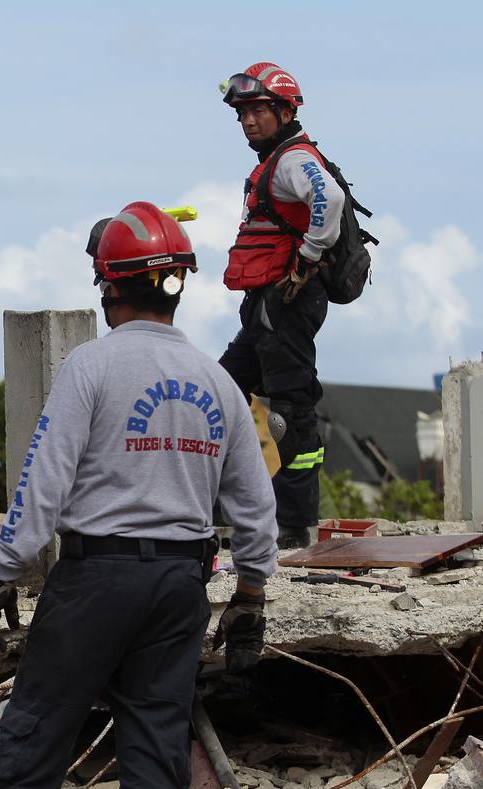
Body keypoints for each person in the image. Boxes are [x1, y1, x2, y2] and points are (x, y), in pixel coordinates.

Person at [0, 202, 278, 789]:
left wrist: (5, 570)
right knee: (156, 746)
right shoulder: (219, 382)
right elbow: (254, 505)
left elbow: (43, 485)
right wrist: (251, 595)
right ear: (177, 286)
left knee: (36, 735)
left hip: (96, 578)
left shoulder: (89, 367)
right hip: (181, 587)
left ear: (108, 287)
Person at [217, 62, 344, 549]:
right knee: (222, 392)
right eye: (242, 113)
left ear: (285, 111)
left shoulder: (293, 159)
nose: (249, 121)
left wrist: (308, 256)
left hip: (289, 301)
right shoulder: (276, 159)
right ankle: (228, 507)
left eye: (258, 111)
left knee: (290, 411)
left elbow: (327, 200)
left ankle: (293, 524)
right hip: (268, 305)